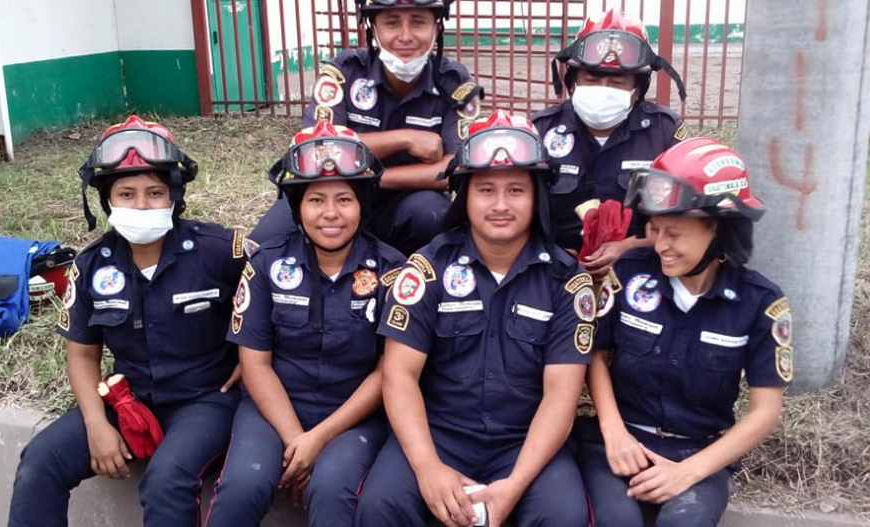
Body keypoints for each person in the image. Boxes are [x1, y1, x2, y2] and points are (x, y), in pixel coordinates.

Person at [355, 110, 595, 527]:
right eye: (485, 189)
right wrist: (428, 469)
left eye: (516, 190)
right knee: (380, 508)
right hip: (439, 434)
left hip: (524, 442)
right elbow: (399, 376)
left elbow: (561, 397)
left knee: (564, 517)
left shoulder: (567, 281)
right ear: (464, 194)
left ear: (537, 196)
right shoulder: (426, 269)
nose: (501, 205)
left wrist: (516, 482)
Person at [7, 116, 248, 527]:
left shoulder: (221, 250)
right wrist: (97, 424)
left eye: (155, 192)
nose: (141, 204)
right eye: (126, 193)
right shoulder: (92, 265)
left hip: (206, 400)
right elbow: (82, 355)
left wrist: (254, 356)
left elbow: (277, 297)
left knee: (166, 480)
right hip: (129, 400)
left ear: (174, 195)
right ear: (107, 200)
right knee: (40, 461)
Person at [577, 137, 791, 527]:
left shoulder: (760, 302)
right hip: (618, 442)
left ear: (718, 228)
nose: (660, 245)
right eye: (654, 229)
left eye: (674, 233)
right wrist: (613, 431)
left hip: (698, 454)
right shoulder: (627, 275)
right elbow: (595, 354)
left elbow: (765, 412)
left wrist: (688, 472)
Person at [205, 121, 405, 527]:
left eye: (344, 199)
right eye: (316, 200)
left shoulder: (392, 272)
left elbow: (389, 372)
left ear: (363, 204)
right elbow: (255, 364)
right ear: (296, 206)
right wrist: (297, 438)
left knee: (331, 490)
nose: (330, 214)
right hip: (273, 409)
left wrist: (318, 440)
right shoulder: (264, 265)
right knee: (244, 485)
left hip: (355, 416)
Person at [250, 0, 482, 257]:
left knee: (432, 215)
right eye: (392, 23)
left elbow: (459, 168)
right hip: (328, 191)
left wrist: (376, 180)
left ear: (437, 28)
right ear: (372, 27)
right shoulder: (344, 71)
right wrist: (404, 139)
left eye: (418, 22)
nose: (405, 36)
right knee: (263, 245)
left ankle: (400, 281)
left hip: (404, 203)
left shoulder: (456, 82)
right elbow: (318, 149)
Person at [531, 7, 689, 277]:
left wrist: (627, 247)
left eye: (616, 82)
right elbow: (516, 210)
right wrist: (552, 251)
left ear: (637, 88)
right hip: (552, 266)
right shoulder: (540, 130)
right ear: (572, 82)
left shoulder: (665, 132)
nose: (603, 89)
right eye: (591, 79)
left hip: (642, 266)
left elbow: (686, 217)